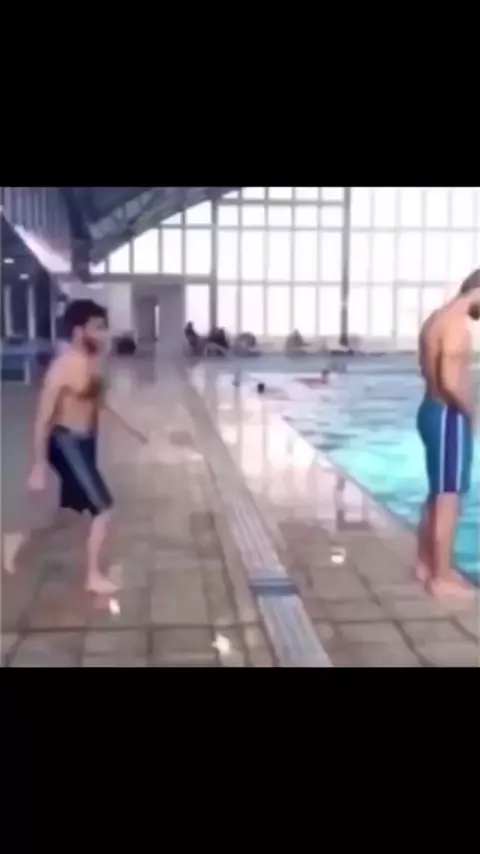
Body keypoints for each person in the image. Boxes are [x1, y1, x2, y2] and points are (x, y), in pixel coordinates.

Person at [2, 299, 148, 594]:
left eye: (105, 327)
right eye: (98, 327)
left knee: (69, 515)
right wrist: (38, 466)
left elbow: (101, 402)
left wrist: (135, 429)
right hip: (64, 442)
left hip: (86, 441)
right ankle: (92, 577)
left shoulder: (93, 362)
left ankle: (16, 539)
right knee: (102, 509)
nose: (104, 333)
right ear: (79, 331)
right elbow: (43, 419)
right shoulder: (62, 367)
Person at [415, 269, 480, 598]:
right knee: (449, 497)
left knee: (437, 493)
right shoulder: (457, 327)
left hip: (430, 410)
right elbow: (451, 381)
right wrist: (471, 413)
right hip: (448, 416)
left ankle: (426, 564)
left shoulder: (436, 319)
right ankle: (441, 578)